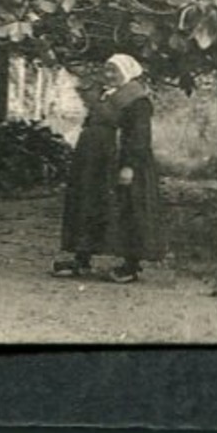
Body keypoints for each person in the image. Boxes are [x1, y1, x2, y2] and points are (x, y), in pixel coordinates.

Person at [52, 53, 166, 283]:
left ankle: (131, 265)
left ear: (127, 73)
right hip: (95, 163)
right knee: (89, 204)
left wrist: (129, 166)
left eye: (115, 71)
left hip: (119, 161)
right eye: (107, 70)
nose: (109, 75)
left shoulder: (136, 100)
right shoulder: (104, 96)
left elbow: (139, 136)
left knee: (127, 208)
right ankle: (82, 258)